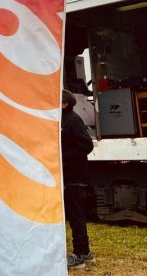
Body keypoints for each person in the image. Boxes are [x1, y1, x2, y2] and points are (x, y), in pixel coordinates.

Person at [62, 89, 95, 269]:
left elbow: (86, 145)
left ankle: (79, 254)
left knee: (76, 215)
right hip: (70, 174)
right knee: (75, 214)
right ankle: (85, 252)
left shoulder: (72, 120)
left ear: (65, 104)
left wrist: (63, 157)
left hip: (75, 175)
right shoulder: (64, 120)